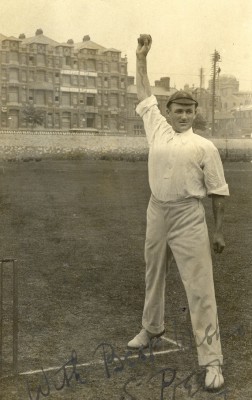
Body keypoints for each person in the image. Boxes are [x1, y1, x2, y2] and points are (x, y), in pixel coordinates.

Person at [127, 34, 229, 390]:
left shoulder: (204, 146)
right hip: (157, 211)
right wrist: (141, 57)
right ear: (168, 112)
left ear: (195, 113)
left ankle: (213, 361)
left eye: (189, 111)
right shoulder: (156, 129)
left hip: (189, 215)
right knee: (153, 272)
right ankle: (152, 328)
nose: (184, 115)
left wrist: (217, 231)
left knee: (200, 288)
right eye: (178, 110)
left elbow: (217, 192)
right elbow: (143, 93)